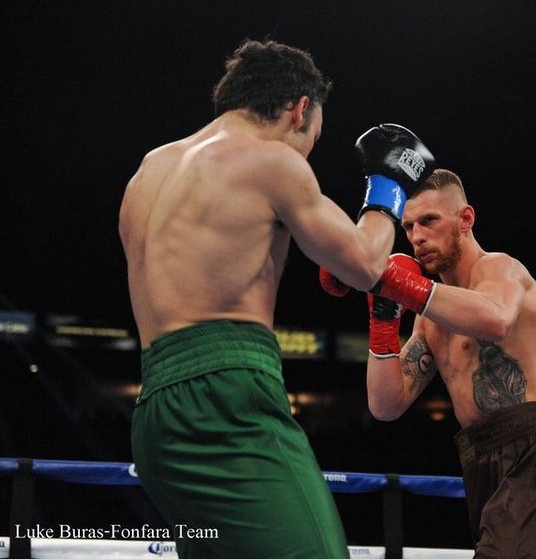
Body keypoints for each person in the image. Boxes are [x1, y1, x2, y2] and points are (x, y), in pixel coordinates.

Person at [118, 38, 435, 559]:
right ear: (299, 109)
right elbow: (365, 263)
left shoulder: (149, 171)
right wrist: (389, 184)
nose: (306, 152)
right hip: (227, 397)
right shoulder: (271, 161)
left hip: (154, 410)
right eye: (313, 137)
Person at [321, 168, 536, 558]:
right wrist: (384, 317)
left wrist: (393, 282)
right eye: (408, 226)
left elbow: (495, 319)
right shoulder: (430, 318)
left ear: (465, 219)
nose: (417, 237)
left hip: (532, 457)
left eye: (429, 221)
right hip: (479, 461)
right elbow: (386, 404)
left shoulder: (499, 269)